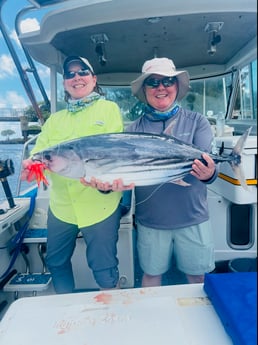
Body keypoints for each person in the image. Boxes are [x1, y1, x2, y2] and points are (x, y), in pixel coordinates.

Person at [21, 56, 128, 293]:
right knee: (55, 261)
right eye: (70, 74)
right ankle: (64, 307)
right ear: (65, 83)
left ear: (93, 79)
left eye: (82, 72)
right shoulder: (54, 120)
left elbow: (113, 152)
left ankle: (110, 312)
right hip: (62, 206)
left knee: (103, 267)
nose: (76, 77)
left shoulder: (108, 109)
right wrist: (32, 166)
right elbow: (39, 153)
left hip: (99, 204)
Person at [126, 57, 218, 287]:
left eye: (167, 81)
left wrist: (210, 174)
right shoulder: (132, 130)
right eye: (153, 82)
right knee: (151, 276)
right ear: (144, 90)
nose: (161, 88)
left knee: (198, 279)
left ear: (177, 86)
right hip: (151, 222)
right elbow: (125, 170)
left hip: (193, 217)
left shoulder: (197, 121)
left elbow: (206, 165)